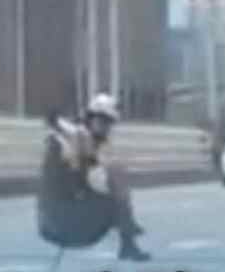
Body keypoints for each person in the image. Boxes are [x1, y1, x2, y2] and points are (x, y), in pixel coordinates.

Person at [41, 93, 151, 261]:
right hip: (63, 213)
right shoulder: (79, 136)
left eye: (109, 123)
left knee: (114, 180)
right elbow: (74, 166)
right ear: (92, 118)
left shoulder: (84, 138)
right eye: (103, 122)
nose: (107, 128)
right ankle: (127, 238)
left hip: (60, 213)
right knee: (116, 178)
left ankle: (127, 233)